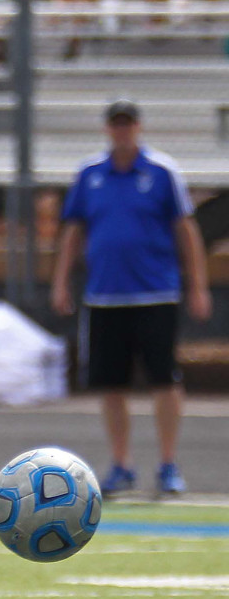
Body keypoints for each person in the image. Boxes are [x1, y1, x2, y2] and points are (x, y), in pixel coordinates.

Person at [50, 100, 212, 500]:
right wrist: (61, 280)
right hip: (106, 294)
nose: (122, 132)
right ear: (108, 130)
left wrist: (197, 285)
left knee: (163, 379)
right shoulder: (90, 175)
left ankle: (168, 463)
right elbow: (73, 230)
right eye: (115, 125)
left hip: (155, 291)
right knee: (111, 383)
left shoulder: (161, 173)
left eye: (128, 125)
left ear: (138, 127)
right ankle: (121, 463)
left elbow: (185, 229)